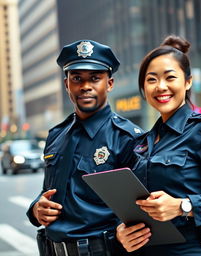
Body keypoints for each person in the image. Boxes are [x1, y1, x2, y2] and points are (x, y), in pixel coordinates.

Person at [116, 35, 201, 256]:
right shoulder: (142, 142)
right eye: (151, 80)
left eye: (170, 77)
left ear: (187, 82)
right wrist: (123, 231)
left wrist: (183, 206)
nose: (161, 87)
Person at [26, 39, 143, 256]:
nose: (85, 86)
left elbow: (140, 210)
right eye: (77, 78)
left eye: (95, 78)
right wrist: (36, 208)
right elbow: (48, 191)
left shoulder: (127, 138)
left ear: (109, 83)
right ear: (66, 84)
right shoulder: (55, 136)